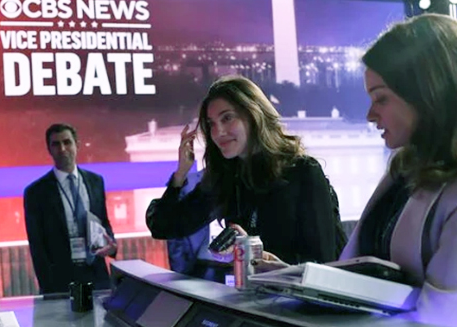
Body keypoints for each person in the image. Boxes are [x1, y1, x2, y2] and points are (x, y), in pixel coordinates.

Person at [339, 14, 457, 327]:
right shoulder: (403, 170)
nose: (370, 115)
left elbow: (448, 323)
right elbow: (349, 274)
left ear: (430, 93)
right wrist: (288, 282)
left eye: (381, 98)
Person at [146, 75, 346, 270]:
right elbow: (164, 225)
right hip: (249, 299)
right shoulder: (226, 177)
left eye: (227, 118)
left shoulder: (303, 172)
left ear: (253, 115)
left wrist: (259, 255)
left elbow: (322, 262)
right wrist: (180, 174)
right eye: (211, 124)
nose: (218, 132)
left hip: (296, 300)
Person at [23, 123, 117, 294]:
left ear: (77, 145)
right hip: (60, 280)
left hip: (96, 273)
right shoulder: (36, 192)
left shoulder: (96, 181)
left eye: (67, 142)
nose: (63, 148)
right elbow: (37, 245)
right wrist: (48, 286)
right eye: (56, 144)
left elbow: (103, 220)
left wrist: (111, 245)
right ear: (49, 149)